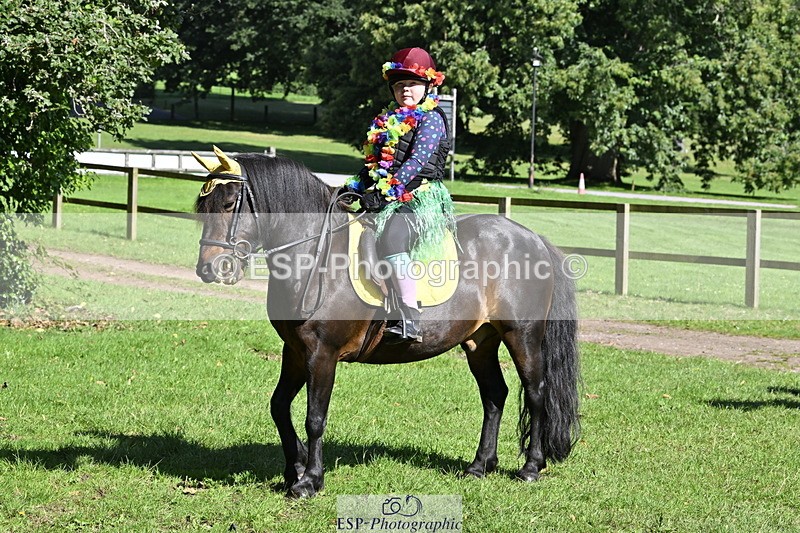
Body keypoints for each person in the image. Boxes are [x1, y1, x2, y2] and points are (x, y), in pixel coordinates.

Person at [344, 47, 455, 343]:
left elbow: (417, 162)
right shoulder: (385, 121)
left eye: (413, 84)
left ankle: (409, 317)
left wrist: (385, 194)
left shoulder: (431, 119)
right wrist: (354, 187)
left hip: (420, 196)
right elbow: (374, 162)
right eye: (400, 85)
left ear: (428, 86)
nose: (406, 90)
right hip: (388, 193)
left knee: (393, 237)